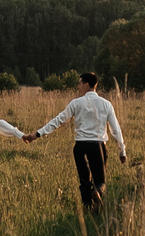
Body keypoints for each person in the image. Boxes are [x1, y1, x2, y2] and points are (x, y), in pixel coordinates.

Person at [28, 71, 127, 208]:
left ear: (87, 85)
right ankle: (97, 192)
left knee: (84, 181)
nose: (78, 86)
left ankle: (87, 207)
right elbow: (115, 130)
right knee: (100, 181)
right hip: (98, 146)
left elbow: (58, 121)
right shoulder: (106, 104)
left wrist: (37, 134)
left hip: (80, 147)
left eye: (79, 84)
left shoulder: (76, 103)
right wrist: (122, 151)